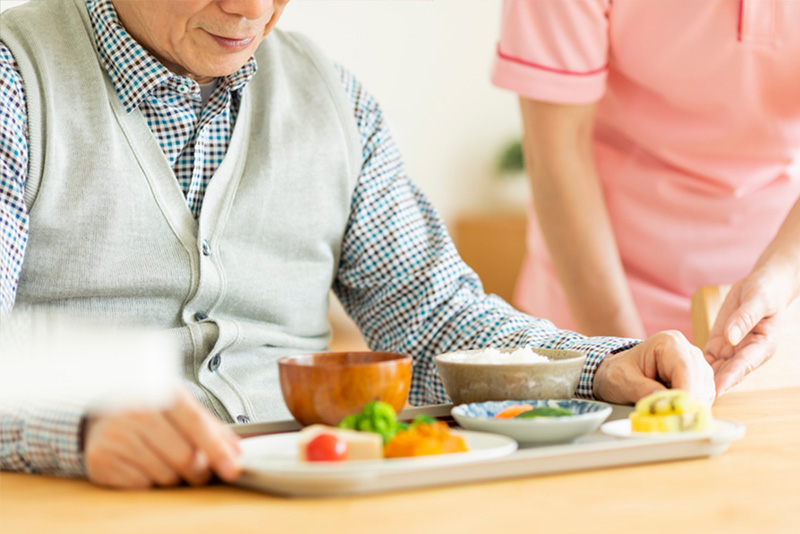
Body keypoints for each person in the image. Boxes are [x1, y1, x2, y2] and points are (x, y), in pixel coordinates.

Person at [0, 0, 713, 490]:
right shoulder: (14, 80)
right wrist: (80, 427)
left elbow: (435, 321)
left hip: (305, 496)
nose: (252, 8)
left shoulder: (336, 103)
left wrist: (601, 365)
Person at [491, 0, 800, 397]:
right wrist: (621, 352)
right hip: (592, 310)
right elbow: (557, 148)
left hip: (777, 316)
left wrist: (781, 277)